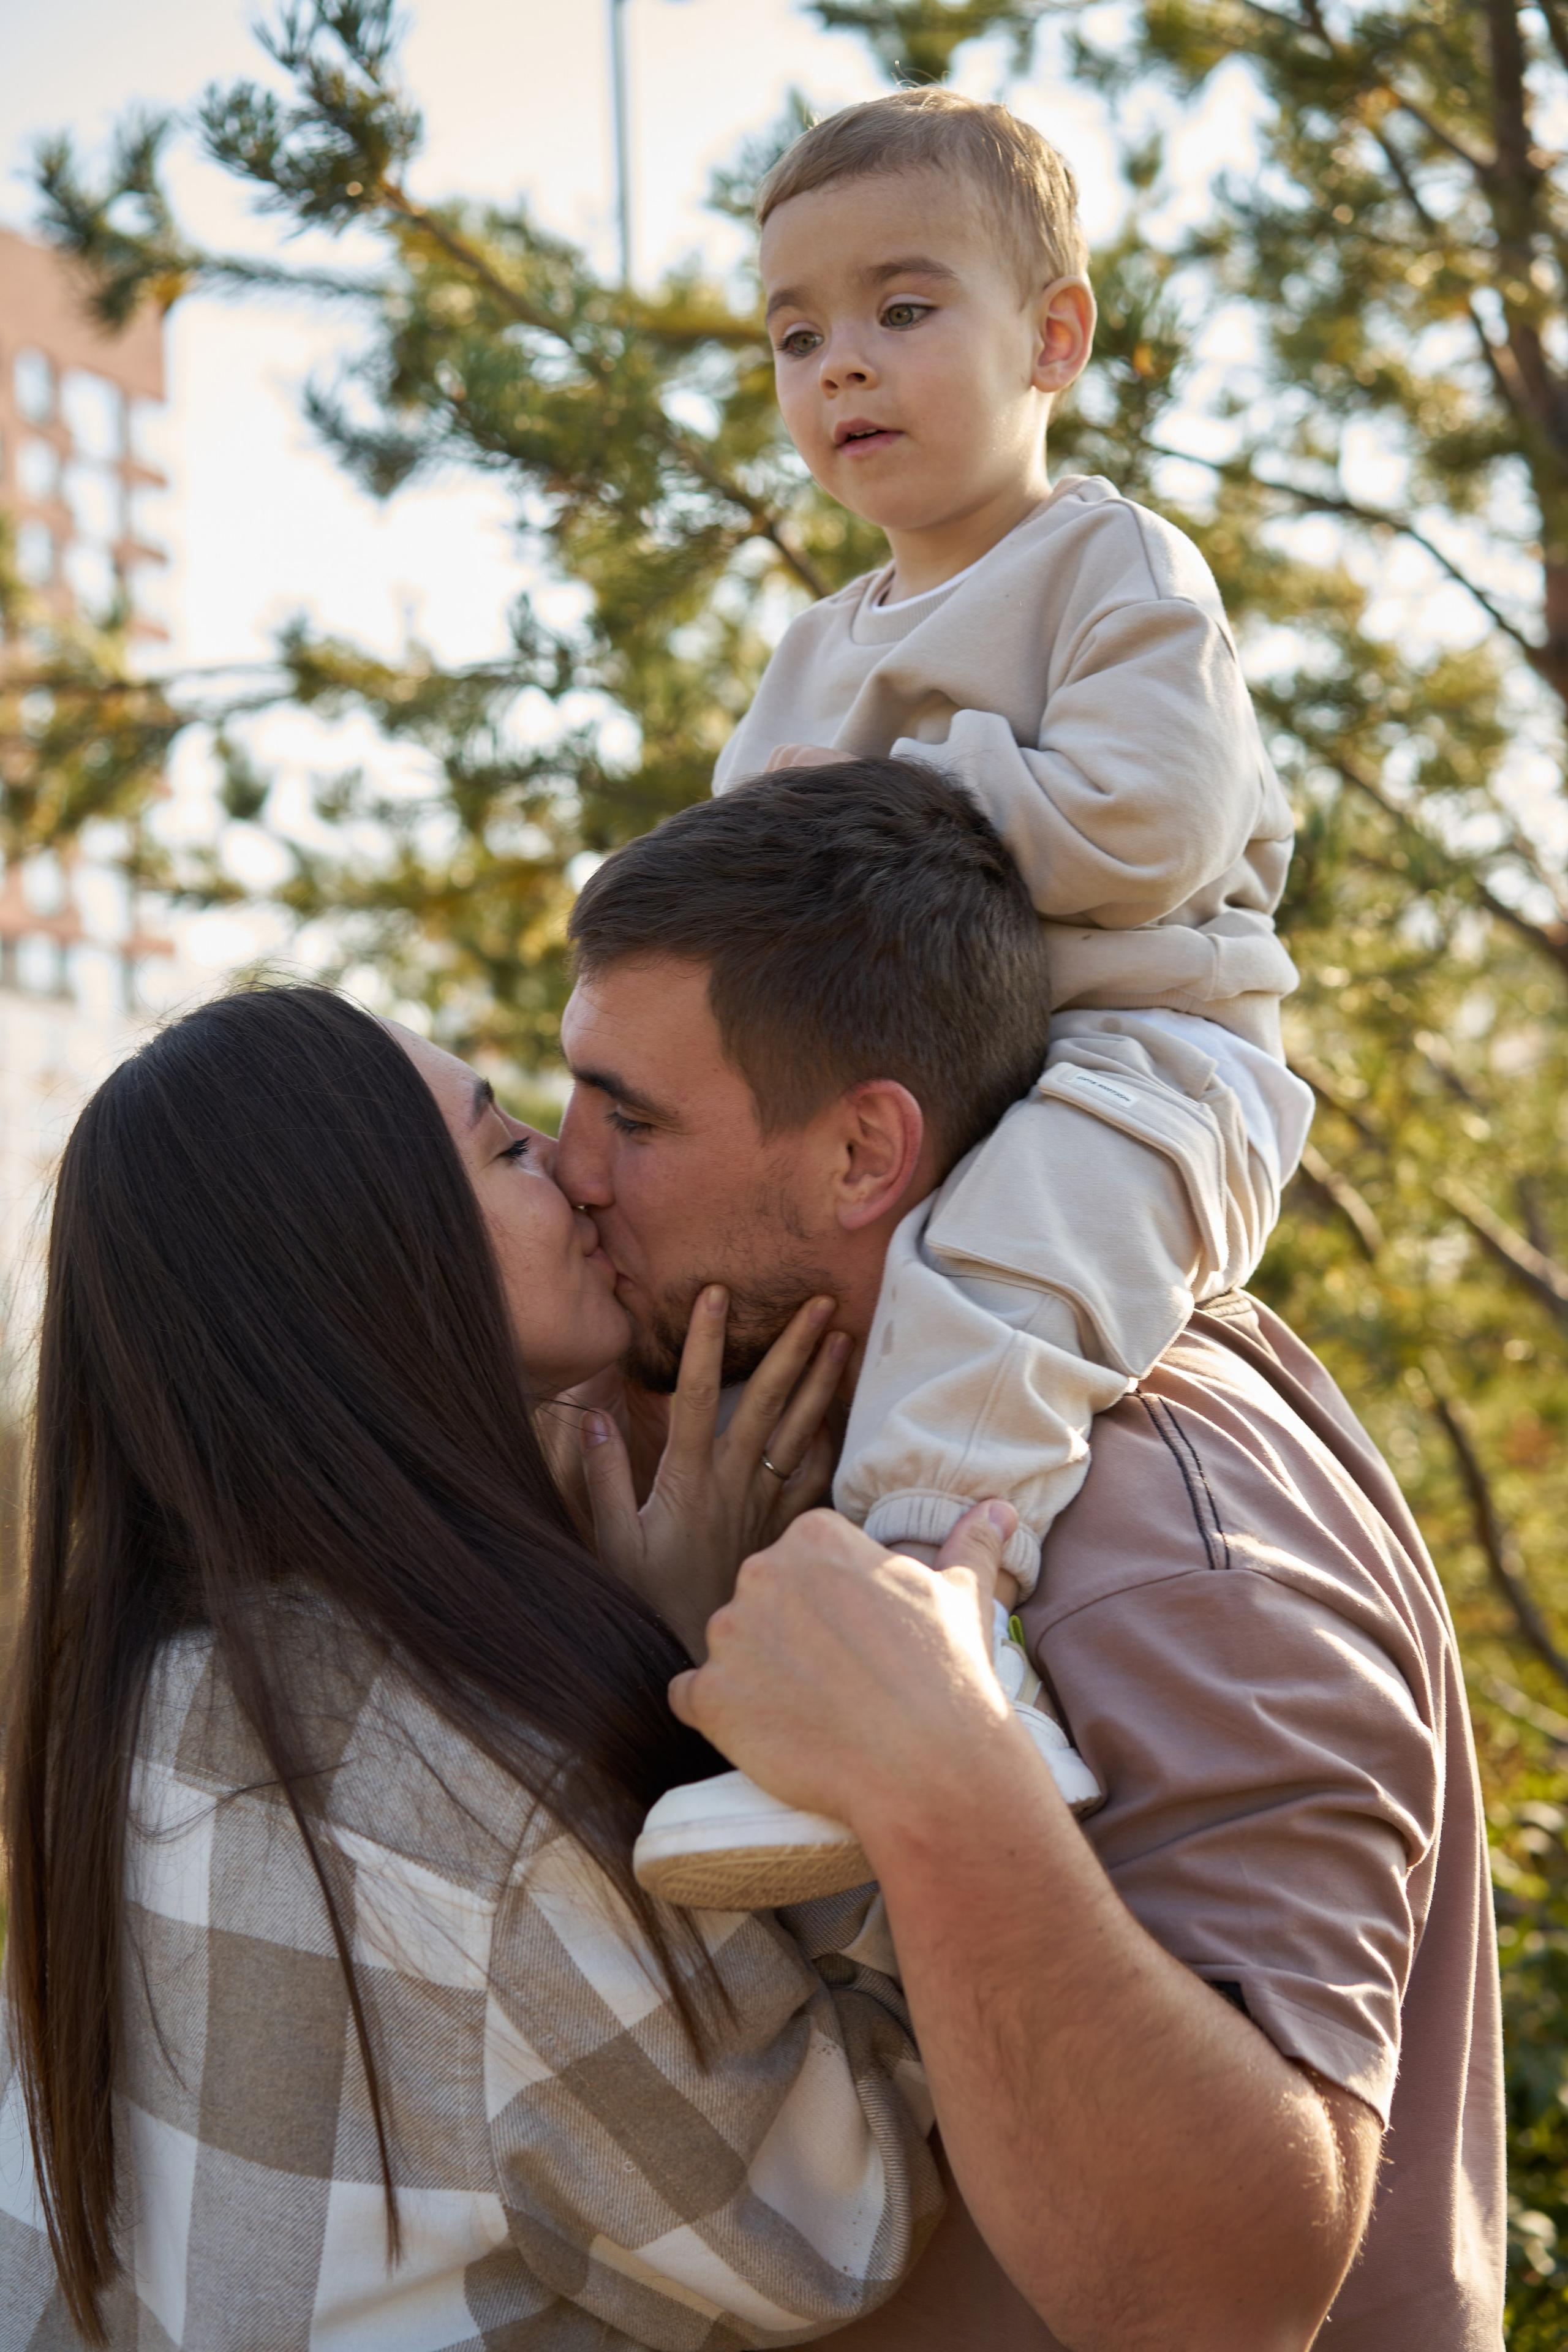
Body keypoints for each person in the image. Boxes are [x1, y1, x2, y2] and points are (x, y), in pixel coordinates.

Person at [554, 762, 1506, 2349]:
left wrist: (944, 1783)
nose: (574, 1167)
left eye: (632, 1120)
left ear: (866, 1156)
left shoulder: (1156, 1518)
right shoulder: (856, 1440)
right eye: (571, 1091)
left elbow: (1235, 2291)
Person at [0, 981, 987, 2350]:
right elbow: (839, 2220)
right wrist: (729, 1706)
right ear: (375, 1268)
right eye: (506, 1150)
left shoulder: (129, 1691)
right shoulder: (478, 1808)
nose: (578, 1171)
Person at [650, 86, 1314, 1901]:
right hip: (930, 1084)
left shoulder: (1112, 567)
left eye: (901, 308)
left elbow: (1150, 817)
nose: (839, 365)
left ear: (1055, 337)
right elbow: (740, 915)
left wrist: (883, 808)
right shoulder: (808, 654)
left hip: (1145, 1058)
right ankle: (699, 1652)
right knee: (712, 1296)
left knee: (1009, 1264)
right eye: (796, 335)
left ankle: (942, 1648)